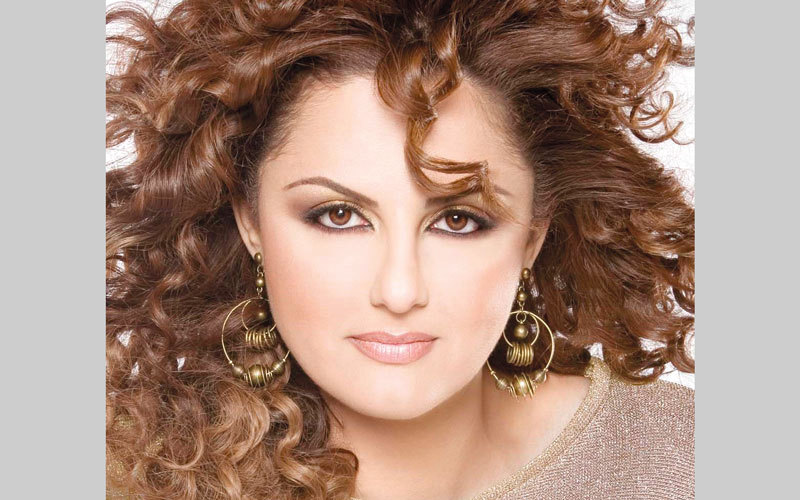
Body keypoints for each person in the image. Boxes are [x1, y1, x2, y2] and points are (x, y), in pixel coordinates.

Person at [105, 0, 695, 499]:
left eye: (458, 221)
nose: (399, 290)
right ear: (250, 221)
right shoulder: (132, 476)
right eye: (338, 216)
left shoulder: (682, 459)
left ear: (532, 238)